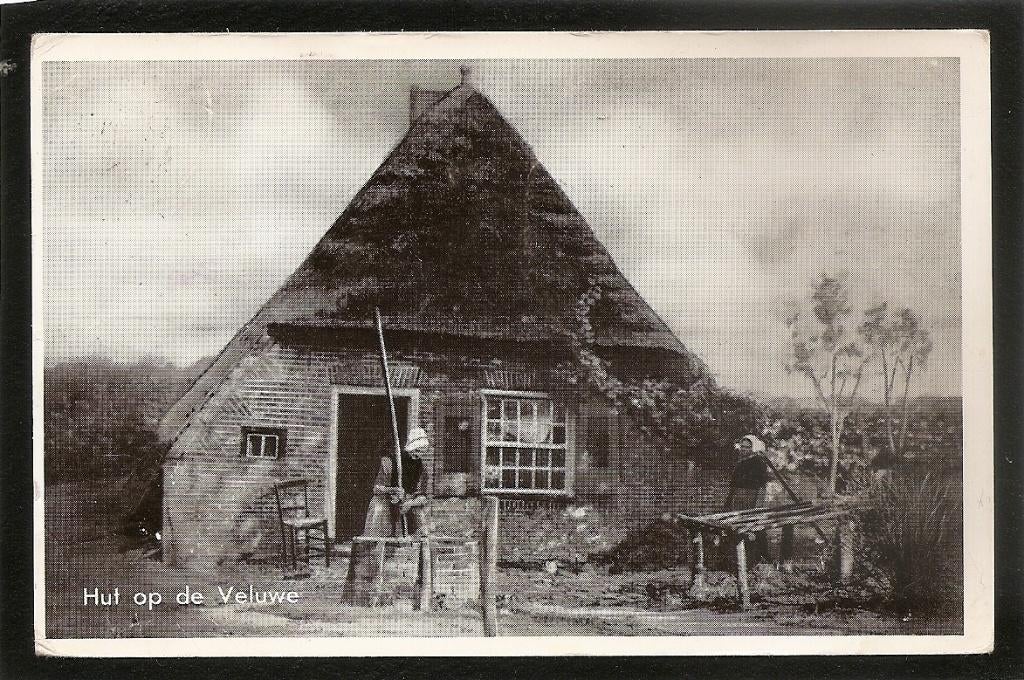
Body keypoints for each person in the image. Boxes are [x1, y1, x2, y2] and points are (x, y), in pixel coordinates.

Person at [362, 427, 432, 538]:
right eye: (416, 450)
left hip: (407, 505)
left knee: (419, 516)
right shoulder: (389, 462)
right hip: (386, 501)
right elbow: (376, 488)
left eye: (421, 451)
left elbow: (423, 497)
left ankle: (418, 548)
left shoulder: (422, 469)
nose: (418, 455)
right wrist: (393, 490)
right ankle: (375, 545)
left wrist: (409, 503)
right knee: (378, 508)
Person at [725, 434, 774, 563]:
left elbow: (762, 487)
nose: (744, 449)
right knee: (736, 528)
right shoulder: (739, 465)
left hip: (753, 499)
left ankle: (760, 558)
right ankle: (735, 559)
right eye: (742, 447)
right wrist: (728, 504)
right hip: (738, 500)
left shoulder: (759, 463)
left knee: (756, 528)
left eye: (747, 447)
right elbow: (733, 486)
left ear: (753, 448)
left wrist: (758, 505)